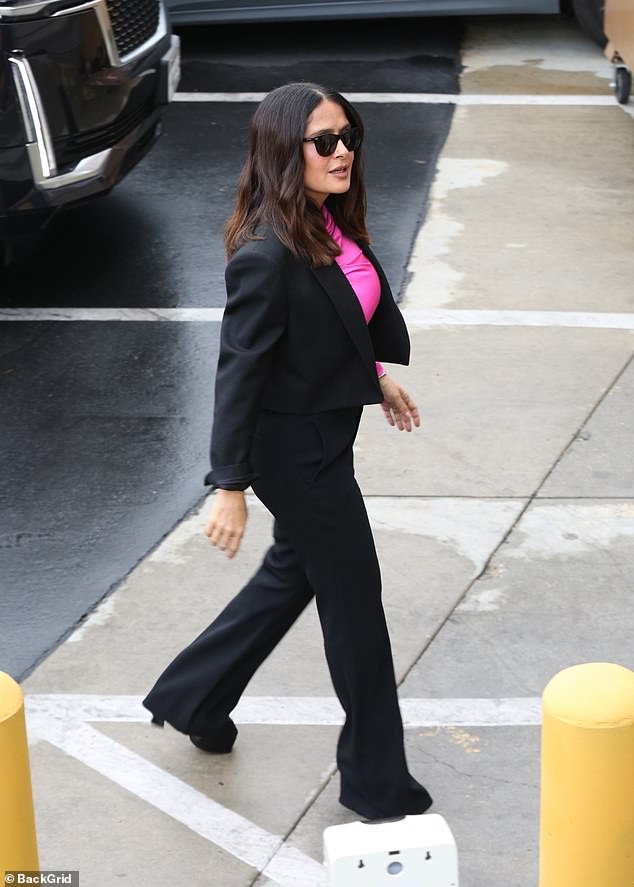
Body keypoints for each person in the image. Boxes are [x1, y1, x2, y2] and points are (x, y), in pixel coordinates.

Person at [143, 82, 433, 821]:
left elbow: (331, 322)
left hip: (326, 433)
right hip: (293, 456)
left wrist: (374, 378)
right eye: (324, 141)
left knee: (292, 574)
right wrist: (230, 484)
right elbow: (240, 368)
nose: (343, 152)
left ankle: (196, 696)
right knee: (356, 609)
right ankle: (376, 782)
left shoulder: (329, 220)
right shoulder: (266, 255)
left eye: (348, 135)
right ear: (284, 151)